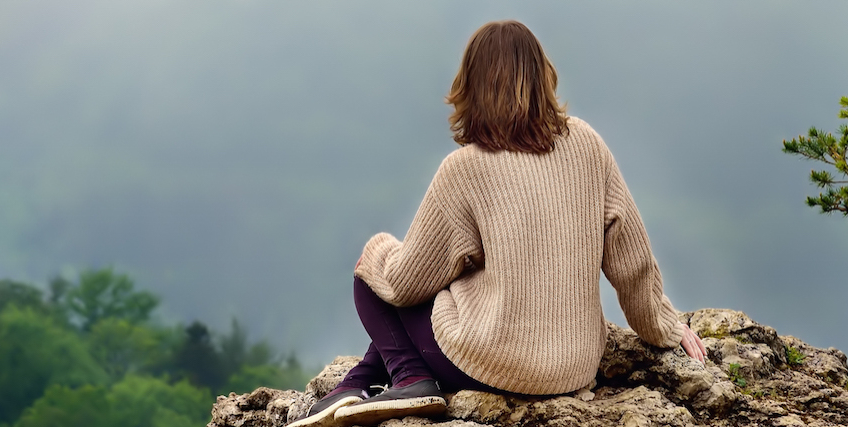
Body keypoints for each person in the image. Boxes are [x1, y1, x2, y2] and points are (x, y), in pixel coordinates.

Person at [289, 20, 707, 427]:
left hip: (492, 365)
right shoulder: (588, 145)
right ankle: (357, 383)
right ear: (543, 76)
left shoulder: (464, 169)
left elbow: (405, 283)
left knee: (373, 275)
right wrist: (666, 327)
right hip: (575, 369)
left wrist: (379, 251)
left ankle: (412, 379)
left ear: (470, 86)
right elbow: (632, 261)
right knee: (440, 288)